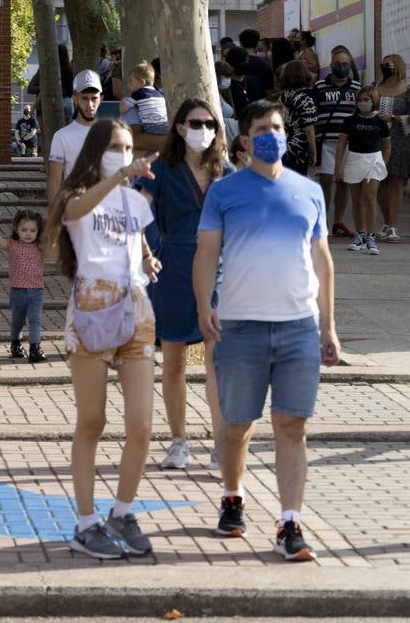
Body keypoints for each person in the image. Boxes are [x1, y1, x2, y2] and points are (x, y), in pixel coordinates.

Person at [194, 99, 340, 561]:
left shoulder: (309, 191)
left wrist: (328, 327)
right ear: (245, 138)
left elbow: (323, 261)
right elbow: (205, 255)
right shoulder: (224, 192)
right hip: (241, 325)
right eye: (262, 127)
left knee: (292, 426)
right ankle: (233, 496)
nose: (271, 133)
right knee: (238, 426)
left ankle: (290, 521)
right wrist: (204, 307)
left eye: (277, 126)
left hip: (298, 326)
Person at [47, 119, 161, 560]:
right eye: (116, 146)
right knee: (91, 422)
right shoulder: (77, 196)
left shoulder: (133, 199)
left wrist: (149, 261)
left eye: (129, 147)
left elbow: (136, 240)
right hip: (92, 308)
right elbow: (75, 214)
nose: (125, 153)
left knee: (142, 424)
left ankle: (123, 511)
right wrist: (119, 175)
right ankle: (85, 521)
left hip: (136, 308)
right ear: (97, 151)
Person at [136, 99, 231, 471]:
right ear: (179, 128)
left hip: (219, 271)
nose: (203, 129)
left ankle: (222, 442)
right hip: (173, 267)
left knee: (217, 362)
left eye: (209, 123)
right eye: (195, 123)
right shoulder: (160, 168)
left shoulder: (226, 172)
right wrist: (148, 251)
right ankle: (179, 441)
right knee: (174, 362)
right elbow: (139, 212)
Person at [0, 207, 47, 362]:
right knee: (17, 321)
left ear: (38, 231)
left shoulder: (41, 247)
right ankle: (16, 344)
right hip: (17, 291)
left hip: (36, 292)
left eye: (33, 230)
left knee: (35, 320)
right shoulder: (12, 245)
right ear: (16, 229)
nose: (28, 233)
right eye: (24, 229)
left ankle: (35, 348)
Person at [312, 47, 361, 237]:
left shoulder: (357, 88)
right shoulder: (319, 87)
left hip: (348, 142)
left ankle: (338, 222)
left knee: (344, 182)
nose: (342, 67)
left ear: (350, 66)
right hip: (325, 141)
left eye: (345, 64)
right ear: (331, 65)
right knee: (325, 180)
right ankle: (322, 221)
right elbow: (313, 113)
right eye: (338, 64)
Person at [338, 85, 391, 255]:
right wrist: (338, 166)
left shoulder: (381, 122)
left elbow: (387, 146)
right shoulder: (349, 121)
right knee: (357, 199)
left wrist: (382, 163)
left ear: (374, 101)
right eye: (360, 100)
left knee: (369, 197)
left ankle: (371, 237)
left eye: (367, 100)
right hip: (354, 159)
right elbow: (341, 146)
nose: (363, 103)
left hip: (374, 160)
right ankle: (359, 235)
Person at [47, 69, 103, 201]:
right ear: (75, 99)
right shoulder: (61, 137)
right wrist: (56, 218)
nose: (90, 104)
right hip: (75, 212)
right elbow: (54, 183)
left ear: (101, 98)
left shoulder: (113, 134)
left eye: (94, 98)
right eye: (84, 98)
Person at [375, 54, 409, 243]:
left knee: (396, 182)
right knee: (379, 181)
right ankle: (387, 223)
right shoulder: (375, 89)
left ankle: (393, 226)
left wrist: (395, 118)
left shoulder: (407, 90)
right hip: (377, 140)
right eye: (384, 65)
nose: (387, 68)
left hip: (400, 140)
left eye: (390, 65)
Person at [274, 60, 317, 176]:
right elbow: (308, 129)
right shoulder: (305, 99)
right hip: (299, 151)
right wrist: (313, 152)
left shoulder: (281, 98)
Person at [120, 62, 168, 152]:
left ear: (142, 82)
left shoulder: (138, 94)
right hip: (165, 127)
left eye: (131, 81)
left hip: (151, 129)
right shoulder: (161, 95)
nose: (128, 85)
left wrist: (122, 103)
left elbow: (123, 109)